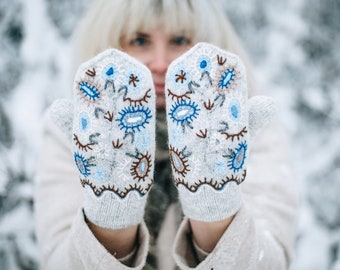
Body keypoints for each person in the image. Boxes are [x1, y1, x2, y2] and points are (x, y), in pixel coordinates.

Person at [34, 0, 299, 269]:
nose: (160, 63)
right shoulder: (80, 134)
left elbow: (271, 259)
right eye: (139, 41)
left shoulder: (243, 128)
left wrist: (214, 208)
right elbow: (58, 260)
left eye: (180, 39)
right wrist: (111, 215)